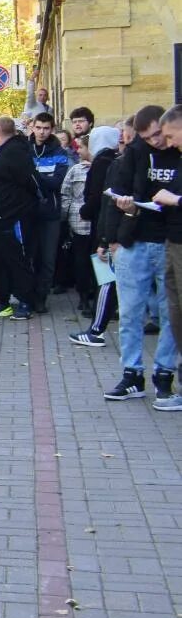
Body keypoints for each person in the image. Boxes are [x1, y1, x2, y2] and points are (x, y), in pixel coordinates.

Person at [98, 104, 180, 401]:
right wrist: (112, 238)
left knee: (171, 312)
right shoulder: (135, 152)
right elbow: (115, 191)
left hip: (170, 240)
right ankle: (131, 374)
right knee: (131, 312)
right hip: (136, 238)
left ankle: (164, 373)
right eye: (147, 137)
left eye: (159, 134)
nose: (157, 141)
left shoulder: (177, 147)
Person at [0, 116, 39, 320]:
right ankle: (2, 301)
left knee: (17, 260)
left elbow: (29, 182)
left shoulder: (15, 151)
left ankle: (26, 301)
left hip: (12, 216)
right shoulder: (2, 151)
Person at [143, 106, 182, 410]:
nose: (168, 143)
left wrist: (176, 199)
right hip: (173, 239)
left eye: (170, 135)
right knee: (174, 311)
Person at [71, 126, 123, 347]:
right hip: (109, 225)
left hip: (105, 227)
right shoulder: (114, 160)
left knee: (106, 279)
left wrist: (102, 236)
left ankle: (96, 328)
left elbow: (98, 198)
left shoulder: (102, 164)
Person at [23, 112, 72, 310]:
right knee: (29, 256)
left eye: (46, 128)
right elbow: (20, 179)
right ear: (33, 127)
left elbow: (57, 181)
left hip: (50, 212)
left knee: (48, 258)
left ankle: (42, 297)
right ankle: (29, 295)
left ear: (51, 129)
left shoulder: (59, 151)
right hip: (28, 211)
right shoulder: (25, 149)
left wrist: (34, 177)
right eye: (38, 127)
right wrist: (38, 179)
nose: (42, 132)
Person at [62, 135, 97, 317]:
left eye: (81, 148)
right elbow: (65, 193)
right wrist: (66, 215)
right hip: (78, 222)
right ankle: (83, 296)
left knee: (97, 262)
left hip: (97, 224)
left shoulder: (104, 167)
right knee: (81, 261)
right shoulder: (75, 170)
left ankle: (98, 296)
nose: (78, 151)